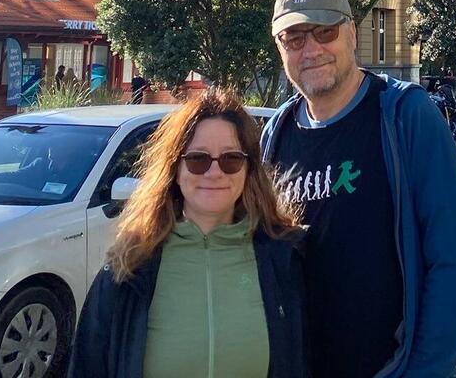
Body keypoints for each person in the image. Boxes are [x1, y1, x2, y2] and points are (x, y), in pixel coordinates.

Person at [261, 0, 456, 378]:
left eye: (324, 31)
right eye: (294, 38)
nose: (311, 49)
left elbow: (455, 260)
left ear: (350, 32)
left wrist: (424, 372)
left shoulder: (404, 115)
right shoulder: (275, 134)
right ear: (280, 48)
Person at [70, 88, 308, 378]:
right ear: (175, 168)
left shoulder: (284, 260)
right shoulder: (129, 269)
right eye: (198, 159)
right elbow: (87, 367)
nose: (214, 172)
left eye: (231, 159)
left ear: (248, 169)